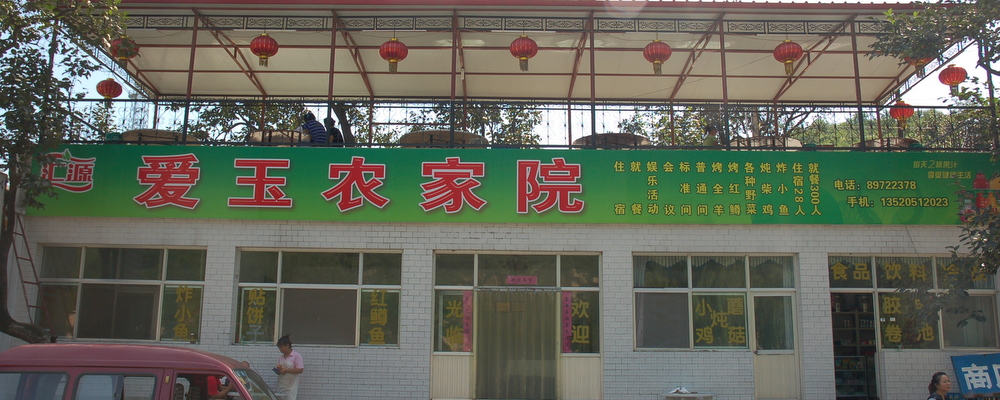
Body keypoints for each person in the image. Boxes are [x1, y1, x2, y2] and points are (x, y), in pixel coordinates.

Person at [275, 335, 304, 400]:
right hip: (281, 384)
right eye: (279, 347)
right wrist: (278, 371)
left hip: (291, 385)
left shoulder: (296, 356)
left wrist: (286, 370)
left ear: (287, 345)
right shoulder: (281, 357)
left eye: (281, 347)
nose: (280, 349)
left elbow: (300, 370)